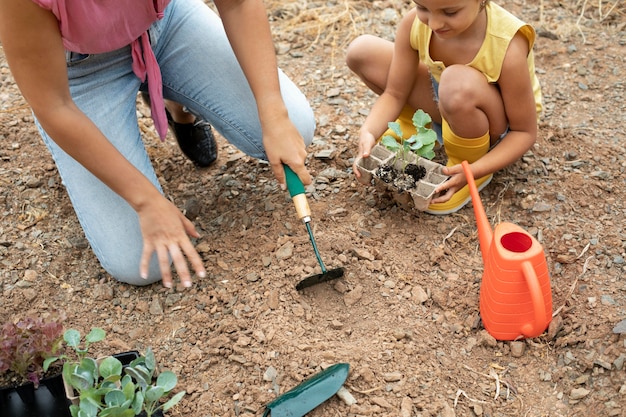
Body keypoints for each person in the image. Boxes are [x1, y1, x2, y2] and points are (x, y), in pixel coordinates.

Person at [0, 0, 316, 288]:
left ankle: (174, 99)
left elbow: (237, 5)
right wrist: (146, 201)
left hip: (164, 23)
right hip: (80, 72)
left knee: (295, 127)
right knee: (143, 261)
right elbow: (55, 105)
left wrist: (273, 110)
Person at [346, 0, 542, 215]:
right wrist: (370, 131)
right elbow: (395, 92)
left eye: (450, 12)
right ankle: (422, 128)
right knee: (362, 51)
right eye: (422, 8)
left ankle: (467, 162)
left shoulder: (507, 46)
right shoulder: (416, 23)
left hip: (495, 125)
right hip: (447, 98)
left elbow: (523, 132)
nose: (435, 23)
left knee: (456, 83)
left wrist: (472, 171)